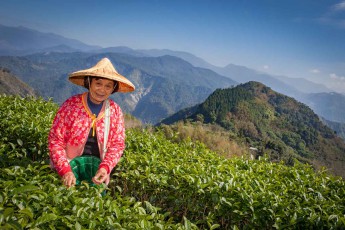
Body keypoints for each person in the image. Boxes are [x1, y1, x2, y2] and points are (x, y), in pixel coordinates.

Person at [48, 57, 135, 188]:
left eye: (108, 86)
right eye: (98, 84)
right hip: (68, 167)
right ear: (89, 82)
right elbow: (55, 140)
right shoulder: (71, 105)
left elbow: (117, 144)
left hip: (97, 169)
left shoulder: (114, 111)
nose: (102, 90)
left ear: (113, 89)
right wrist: (65, 171)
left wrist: (105, 168)